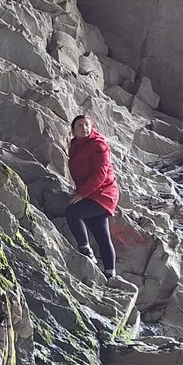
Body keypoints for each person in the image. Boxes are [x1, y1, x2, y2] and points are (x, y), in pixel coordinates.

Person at [65, 114, 119, 279]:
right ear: (73, 130)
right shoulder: (76, 145)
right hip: (91, 193)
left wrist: (82, 194)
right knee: (101, 233)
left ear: (92, 127)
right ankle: (110, 274)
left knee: (73, 212)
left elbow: (100, 173)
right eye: (80, 126)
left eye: (87, 125)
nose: (84, 128)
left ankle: (86, 250)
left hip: (104, 193)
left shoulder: (98, 145)